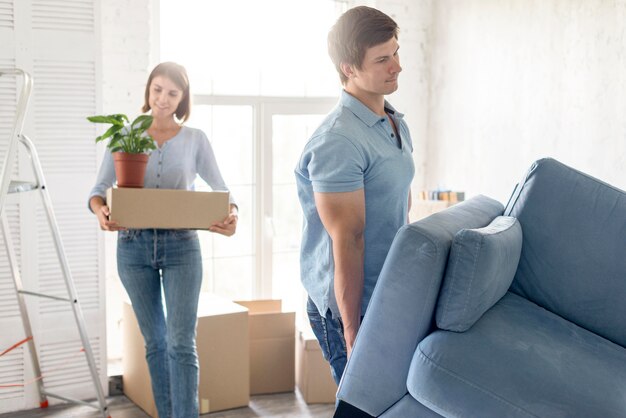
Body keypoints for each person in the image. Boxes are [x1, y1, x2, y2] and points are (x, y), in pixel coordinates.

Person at [88, 62, 238, 418]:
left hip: (182, 248)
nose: (163, 99)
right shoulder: (125, 135)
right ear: (148, 90)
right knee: (155, 343)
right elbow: (98, 192)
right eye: (157, 89)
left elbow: (222, 189)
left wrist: (232, 216)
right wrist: (100, 213)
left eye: (172, 93)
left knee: (180, 343)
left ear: (182, 98)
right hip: (133, 249)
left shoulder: (195, 139)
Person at [295, 6, 415, 385]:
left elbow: (399, 206)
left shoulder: (394, 120)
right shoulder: (338, 141)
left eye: (396, 52)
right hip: (349, 307)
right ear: (349, 68)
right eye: (382, 59)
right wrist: (352, 332)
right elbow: (349, 239)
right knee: (360, 403)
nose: (396, 66)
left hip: (384, 293)